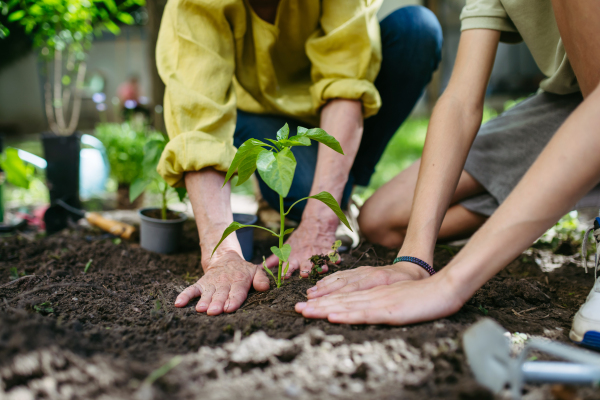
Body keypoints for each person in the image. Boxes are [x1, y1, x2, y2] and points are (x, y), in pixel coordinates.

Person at [295, 0, 600, 349]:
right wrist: (414, 262)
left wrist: (451, 284)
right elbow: (460, 100)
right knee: (383, 219)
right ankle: (564, 190)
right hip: (567, 104)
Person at [156, 0, 443, 315]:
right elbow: (199, 126)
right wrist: (222, 255)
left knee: (416, 29)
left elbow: (346, 83)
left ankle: (338, 196)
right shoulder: (191, 5)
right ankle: (333, 197)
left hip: (332, 113)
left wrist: (320, 221)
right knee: (304, 193)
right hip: (257, 113)